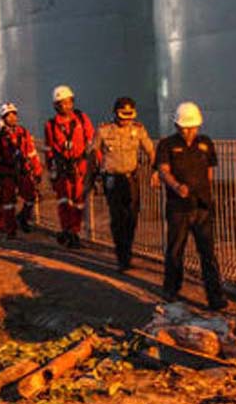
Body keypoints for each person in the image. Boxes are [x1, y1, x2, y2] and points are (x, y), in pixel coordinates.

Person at [155, 102, 226, 310]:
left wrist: (205, 192)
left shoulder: (206, 143)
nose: (189, 131)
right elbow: (163, 170)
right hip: (178, 207)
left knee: (208, 253)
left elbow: (210, 172)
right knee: (176, 250)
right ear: (177, 126)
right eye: (185, 127)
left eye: (193, 127)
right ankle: (171, 290)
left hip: (202, 206)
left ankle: (215, 297)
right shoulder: (167, 145)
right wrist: (176, 186)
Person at [90, 97, 156, 271]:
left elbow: (150, 150)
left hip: (131, 179)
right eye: (123, 115)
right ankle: (122, 256)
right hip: (112, 179)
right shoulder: (104, 131)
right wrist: (92, 177)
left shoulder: (138, 130)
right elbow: (93, 152)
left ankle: (127, 248)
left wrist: (156, 170)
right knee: (118, 218)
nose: (127, 119)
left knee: (132, 217)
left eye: (130, 115)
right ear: (115, 113)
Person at [44, 85, 95, 248]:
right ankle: (67, 231)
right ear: (56, 106)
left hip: (80, 167)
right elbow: (49, 149)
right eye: (61, 103)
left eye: (68, 102)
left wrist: (97, 165)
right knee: (64, 201)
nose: (65, 106)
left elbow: (92, 141)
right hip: (62, 168)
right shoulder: (51, 125)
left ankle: (74, 231)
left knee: (79, 202)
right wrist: (51, 170)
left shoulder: (81, 118)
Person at [0, 103, 42, 239]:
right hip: (6, 174)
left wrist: (37, 169)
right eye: (8, 115)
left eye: (13, 114)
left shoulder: (23, 133)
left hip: (22, 171)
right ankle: (11, 230)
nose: (12, 117)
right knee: (8, 203)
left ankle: (23, 218)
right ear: (3, 117)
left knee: (31, 197)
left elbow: (32, 152)